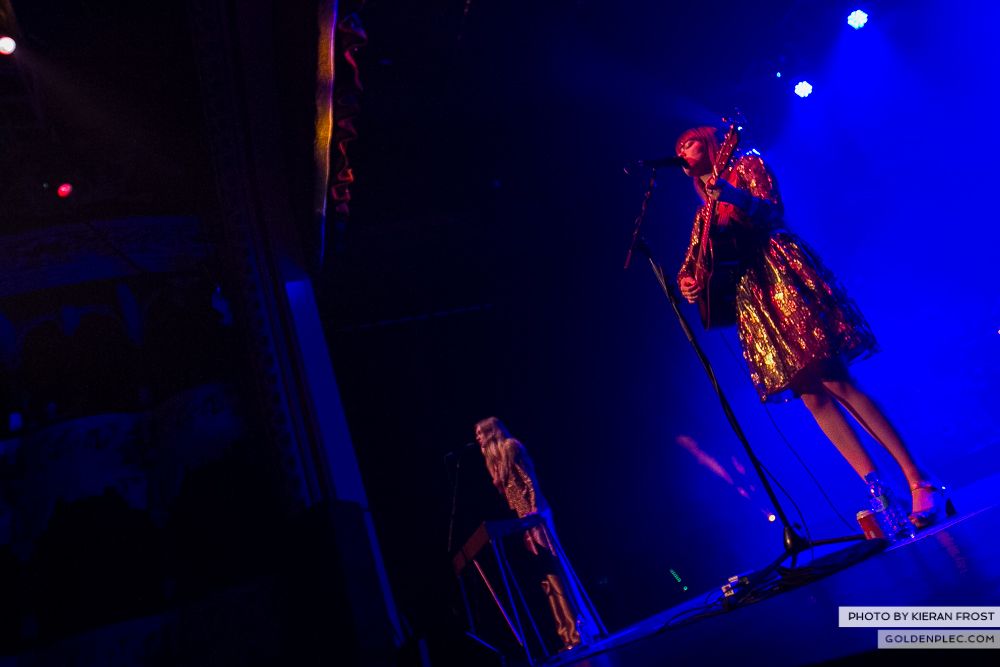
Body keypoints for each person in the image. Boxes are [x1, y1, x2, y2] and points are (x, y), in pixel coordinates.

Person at [673, 125, 954, 531]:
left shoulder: (746, 165)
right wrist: (687, 283)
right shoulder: (703, 215)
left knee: (836, 380)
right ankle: (880, 492)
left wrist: (734, 196)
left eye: (690, 141)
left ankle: (919, 478)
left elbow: (772, 210)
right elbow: (691, 265)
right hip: (754, 296)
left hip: (782, 274)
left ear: (712, 144)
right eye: (678, 147)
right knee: (810, 394)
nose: (683, 149)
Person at [473, 416, 604, 652]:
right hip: (524, 520)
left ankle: (579, 631)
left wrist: (535, 512)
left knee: (555, 571)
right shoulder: (494, 460)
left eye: (480, 433)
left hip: (537, 513)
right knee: (546, 579)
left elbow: (530, 480)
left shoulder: (511, 446)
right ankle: (566, 635)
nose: (477, 438)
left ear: (490, 431)